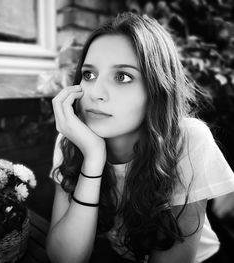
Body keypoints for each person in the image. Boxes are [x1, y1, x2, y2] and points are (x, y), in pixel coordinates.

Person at [46, 12, 234, 263]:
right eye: (89, 74)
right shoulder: (73, 139)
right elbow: (64, 258)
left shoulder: (187, 139)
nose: (95, 93)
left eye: (122, 76)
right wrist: (93, 157)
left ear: (157, 89)